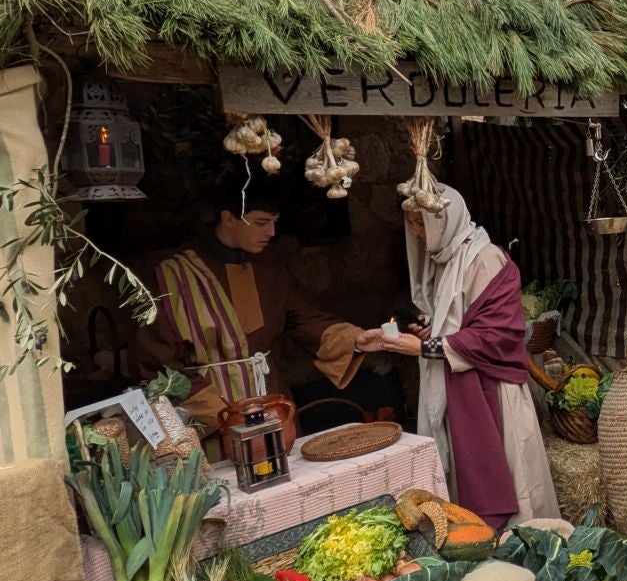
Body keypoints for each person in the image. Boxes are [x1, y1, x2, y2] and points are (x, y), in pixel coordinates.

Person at [136, 181, 381, 433]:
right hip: (212, 415)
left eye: (274, 222)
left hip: (271, 402)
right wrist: (220, 415)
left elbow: (302, 318)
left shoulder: (269, 267)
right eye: (261, 223)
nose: (271, 232)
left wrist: (355, 339)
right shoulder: (173, 275)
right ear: (228, 218)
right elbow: (159, 359)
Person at [381, 184, 556, 528]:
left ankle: (524, 553)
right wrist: (433, 332)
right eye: (413, 225)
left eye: (421, 224)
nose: (417, 232)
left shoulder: (486, 257)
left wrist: (426, 347)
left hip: (494, 390)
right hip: (458, 383)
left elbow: (499, 334)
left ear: (444, 219)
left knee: (512, 484)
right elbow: (462, 320)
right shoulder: (445, 261)